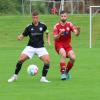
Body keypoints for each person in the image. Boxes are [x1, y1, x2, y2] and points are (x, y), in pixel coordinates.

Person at [8, 11, 51, 83]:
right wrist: (20, 37)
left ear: (38, 17)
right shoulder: (29, 27)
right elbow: (23, 34)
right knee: (20, 60)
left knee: (47, 61)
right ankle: (15, 76)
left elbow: (47, 31)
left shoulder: (43, 25)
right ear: (32, 18)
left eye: (36, 18)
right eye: (34, 18)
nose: (35, 19)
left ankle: (43, 78)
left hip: (40, 47)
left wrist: (48, 40)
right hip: (30, 47)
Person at [53, 10, 80, 80]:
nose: (63, 17)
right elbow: (55, 38)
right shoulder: (56, 26)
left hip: (67, 45)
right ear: (60, 17)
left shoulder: (69, 24)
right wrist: (59, 34)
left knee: (73, 58)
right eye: (62, 16)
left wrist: (78, 31)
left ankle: (66, 72)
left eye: (65, 16)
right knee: (63, 54)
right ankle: (62, 74)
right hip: (58, 44)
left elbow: (76, 34)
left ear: (67, 16)